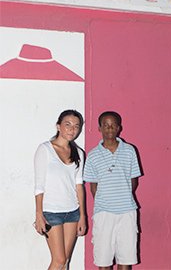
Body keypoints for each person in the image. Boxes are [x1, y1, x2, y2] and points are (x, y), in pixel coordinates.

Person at [84, 111, 142, 270]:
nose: (109, 128)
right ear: (99, 128)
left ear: (119, 128)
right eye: (105, 125)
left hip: (127, 212)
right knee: (104, 260)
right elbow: (93, 186)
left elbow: (133, 180)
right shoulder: (93, 155)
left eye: (113, 125)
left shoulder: (129, 150)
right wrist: (106, 202)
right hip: (103, 213)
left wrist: (122, 197)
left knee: (126, 258)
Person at [34, 109, 87, 270]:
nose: (72, 129)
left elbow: (79, 185)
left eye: (76, 126)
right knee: (58, 260)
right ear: (58, 126)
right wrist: (39, 214)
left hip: (72, 211)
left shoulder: (78, 152)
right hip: (51, 212)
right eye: (68, 124)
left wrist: (83, 215)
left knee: (65, 262)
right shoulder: (45, 149)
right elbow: (39, 185)